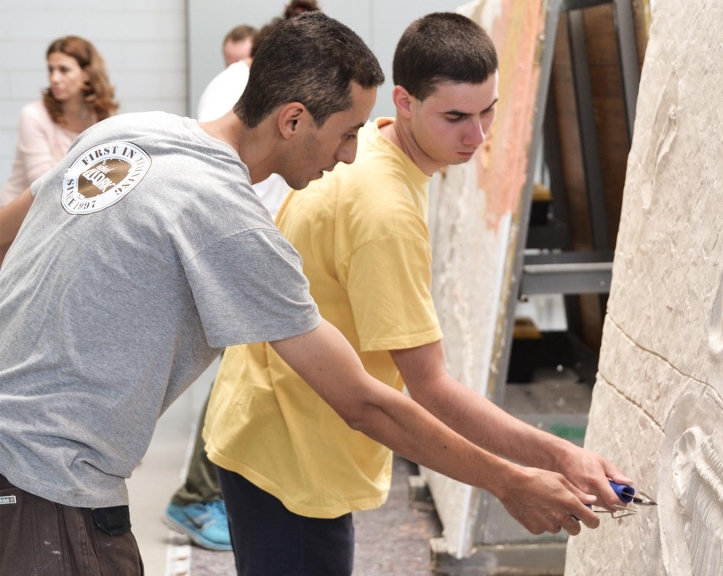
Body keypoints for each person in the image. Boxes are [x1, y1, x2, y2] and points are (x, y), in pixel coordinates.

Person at [0, 13, 601, 575]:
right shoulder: (230, 221)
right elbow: (364, 402)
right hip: (47, 485)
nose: (350, 154)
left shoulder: (131, 131)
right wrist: (512, 481)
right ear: (291, 120)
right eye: (345, 133)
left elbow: (8, 228)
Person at [203, 13, 630, 576]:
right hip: (294, 458)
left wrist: (552, 460)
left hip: (270, 426)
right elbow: (430, 388)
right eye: (455, 117)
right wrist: (549, 461)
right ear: (403, 101)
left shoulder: (374, 148)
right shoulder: (384, 210)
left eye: (487, 111)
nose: (477, 136)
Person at [162, 13, 312, 551]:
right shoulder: (236, 87)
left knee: (240, 374)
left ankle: (203, 494)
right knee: (238, 377)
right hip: (242, 248)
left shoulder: (252, 87)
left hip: (255, 245)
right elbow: (224, 170)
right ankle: (197, 496)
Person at [0, 36, 117, 207]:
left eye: (64, 70)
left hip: (65, 213)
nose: (54, 78)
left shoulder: (100, 117)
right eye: (51, 69)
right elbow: (43, 184)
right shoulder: (33, 115)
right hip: (20, 218)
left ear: (86, 74)